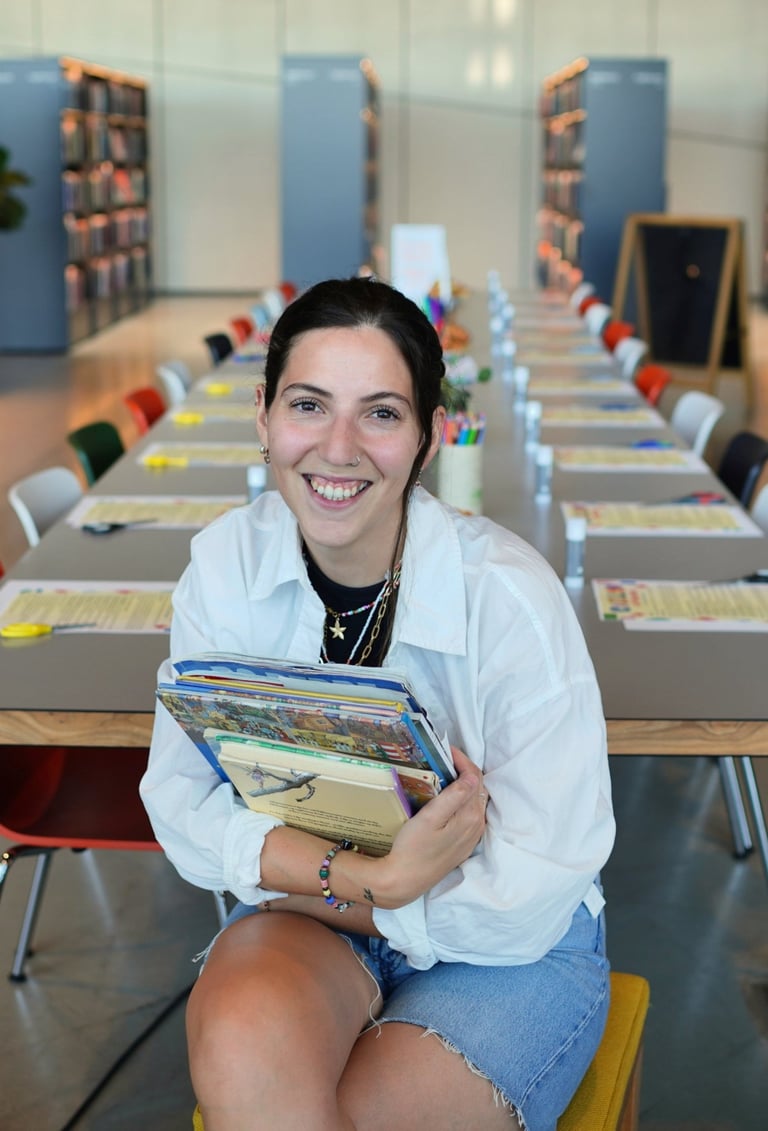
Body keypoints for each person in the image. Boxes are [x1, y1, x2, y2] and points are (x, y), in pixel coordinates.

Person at [140, 277, 615, 1131]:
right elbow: (180, 807)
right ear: (263, 415)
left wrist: (322, 881)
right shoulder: (222, 569)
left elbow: (532, 886)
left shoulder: (508, 596)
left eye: (382, 413)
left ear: (431, 435)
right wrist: (372, 877)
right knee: (248, 1052)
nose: (338, 446)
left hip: (507, 948)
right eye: (309, 404)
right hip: (322, 912)